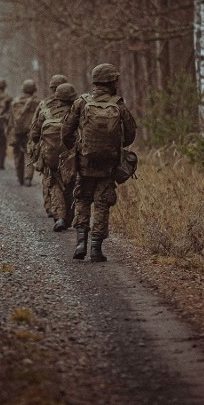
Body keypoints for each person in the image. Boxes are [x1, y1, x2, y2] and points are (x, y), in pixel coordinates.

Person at [61, 63, 136, 262]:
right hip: (109, 165)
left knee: (83, 199)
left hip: (85, 163)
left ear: (95, 81)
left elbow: (66, 131)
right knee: (102, 203)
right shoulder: (119, 104)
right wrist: (114, 148)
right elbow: (130, 134)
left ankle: (80, 242)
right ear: (111, 82)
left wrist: (76, 148)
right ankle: (96, 248)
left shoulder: (81, 102)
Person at [29, 82, 77, 231]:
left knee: (55, 184)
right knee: (71, 184)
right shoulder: (77, 113)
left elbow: (34, 135)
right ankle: (69, 218)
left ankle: (60, 218)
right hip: (71, 156)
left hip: (50, 156)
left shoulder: (46, 112)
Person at [7, 79, 41, 185]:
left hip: (17, 132)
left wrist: (9, 131)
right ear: (34, 90)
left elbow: (11, 119)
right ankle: (28, 178)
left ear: (23, 90)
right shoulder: (37, 103)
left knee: (17, 154)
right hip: (30, 132)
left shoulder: (15, 102)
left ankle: (19, 177)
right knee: (29, 154)